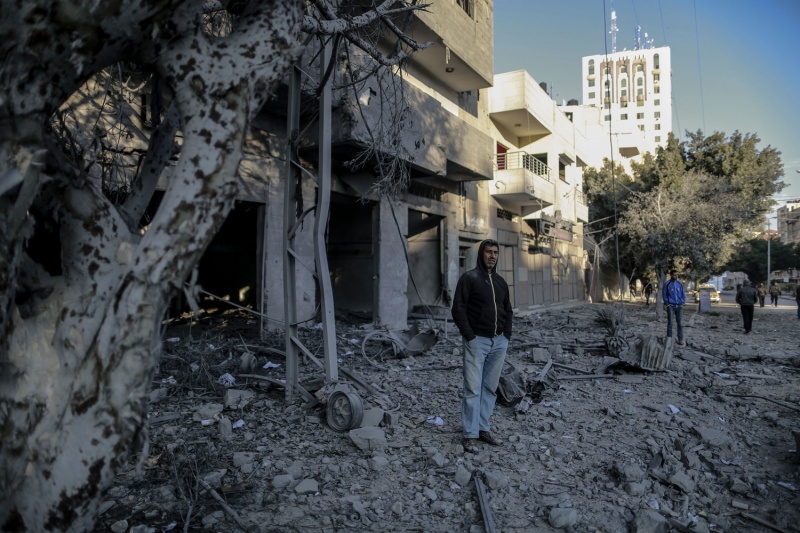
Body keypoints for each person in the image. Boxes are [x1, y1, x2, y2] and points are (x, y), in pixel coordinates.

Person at [451, 239, 513, 452]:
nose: (492, 256)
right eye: (488, 252)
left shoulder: (500, 282)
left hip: (499, 342)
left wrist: (506, 335)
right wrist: (469, 335)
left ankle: (483, 428)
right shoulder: (469, 278)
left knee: (489, 388)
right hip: (477, 341)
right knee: (472, 388)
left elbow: (508, 310)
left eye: (495, 252)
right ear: (481, 254)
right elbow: (458, 308)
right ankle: (470, 434)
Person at [662, 269, 686, 346]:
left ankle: (680, 339)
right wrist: (667, 303)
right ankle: (669, 339)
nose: (676, 276)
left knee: (680, 323)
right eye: (675, 275)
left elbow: (683, 293)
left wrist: (683, 302)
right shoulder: (667, 284)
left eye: (677, 275)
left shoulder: (679, 283)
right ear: (671, 275)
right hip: (671, 306)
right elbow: (664, 294)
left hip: (679, 306)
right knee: (670, 323)